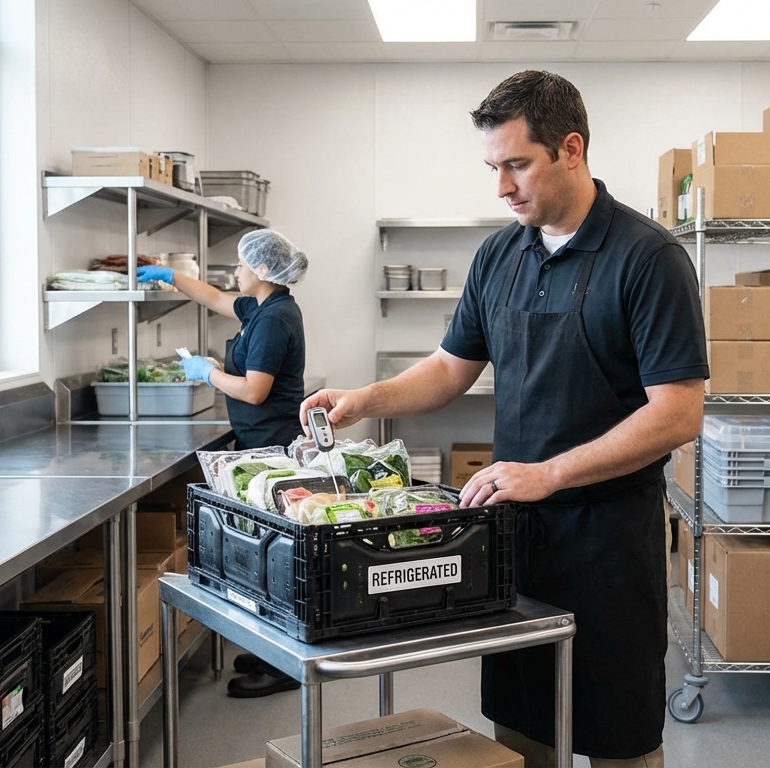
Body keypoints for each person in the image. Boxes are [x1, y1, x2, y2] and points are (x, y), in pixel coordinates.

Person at [299, 71, 707, 767]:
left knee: (621, 738)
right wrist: (364, 401)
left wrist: (550, 472)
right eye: (493, 167)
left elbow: (677, 414)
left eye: (517, 164)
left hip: (609, 542)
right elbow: (451, 367)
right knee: (522, 734)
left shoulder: (648, 258)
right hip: (515, 538)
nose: (502, 187)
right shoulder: (499, 255)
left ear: (571, 149)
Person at [138, 228, 308, 698]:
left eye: (240, 264)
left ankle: (286, 667)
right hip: (258, 441)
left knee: (273, 556)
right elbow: (213, 298)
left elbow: (254, 390)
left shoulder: (276, 319)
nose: (235, 271)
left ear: (263, 270)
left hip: (272, 448)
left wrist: (208, 372)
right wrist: (170, 275)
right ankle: (277, 647)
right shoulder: (262, 307)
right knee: (262, 552)